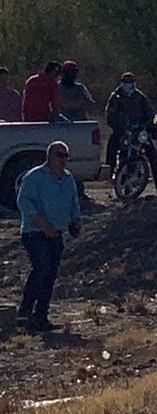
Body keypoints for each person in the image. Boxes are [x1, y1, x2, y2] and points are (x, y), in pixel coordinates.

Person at [16, 140, 81, 332]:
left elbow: (73, 202)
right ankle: (25, 311)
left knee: (51, 274)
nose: (63, 160)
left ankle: (41, 316)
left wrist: (75, 221)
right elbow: (24, 201)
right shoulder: (35, 177)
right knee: (41, 269)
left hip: (56, 233)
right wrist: (42, 224)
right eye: (59, 155)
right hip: (34, 233)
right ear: (49, 156)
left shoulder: (68, 179)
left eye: (65, 156)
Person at [105, 72, 157, 196]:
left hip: (139, 132)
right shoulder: (115, 97)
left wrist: (146, 126)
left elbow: (149, 113)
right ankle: (108, 176)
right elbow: (110, 116)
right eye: (126, 81)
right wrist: (121, 127)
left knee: (154, 157)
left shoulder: (140, 97)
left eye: (131, 81)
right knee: (112, 147)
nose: (128, 84)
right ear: (121, 83)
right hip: (122, 132)